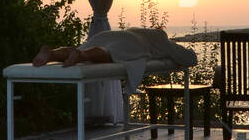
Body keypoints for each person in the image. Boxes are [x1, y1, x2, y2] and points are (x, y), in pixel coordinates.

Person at [32, 27, 197, 92]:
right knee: (108, 53)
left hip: (107, 35)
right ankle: (82, 56)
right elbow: (189, 58)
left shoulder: (134, 29)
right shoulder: (161, 39)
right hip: (133, 44)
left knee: (81, 47)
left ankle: (52, 54)